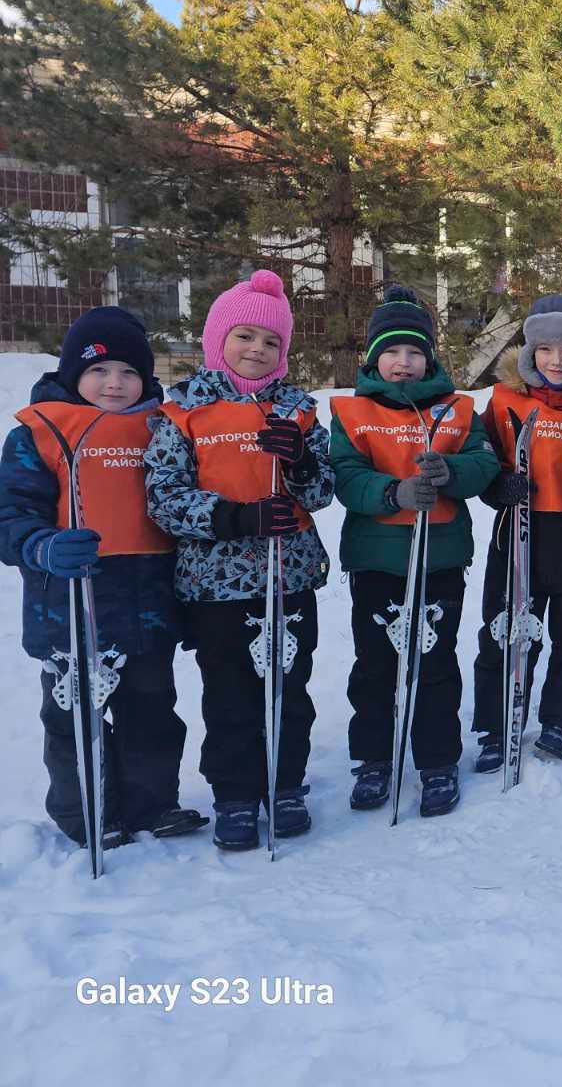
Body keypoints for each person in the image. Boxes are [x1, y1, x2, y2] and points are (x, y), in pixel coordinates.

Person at [0, 307, 206, 848]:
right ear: (73, 373)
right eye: (99, 370)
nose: (114, 383)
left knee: (152, 711)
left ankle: (152, 802)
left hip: (149, 600)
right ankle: (89, 809)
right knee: (74, 718)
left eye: (129, 373)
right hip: (69, 603)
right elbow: (11, 515)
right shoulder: (37, 433)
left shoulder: (164, 427)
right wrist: (42, 545)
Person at [144, 269, 334, 851]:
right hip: (216, 584)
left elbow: (324, 492)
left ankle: (286, 784)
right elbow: (162, 497)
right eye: (245, 336)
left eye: (272, 341)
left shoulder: (297, 409)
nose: (258, 349)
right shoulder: (183, 412)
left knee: (288, 687)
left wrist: (300, 463)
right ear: (217, 340)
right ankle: (234, 793)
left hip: (289, 574)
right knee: (228, 693)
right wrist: (234, 518)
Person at [329, 284, 499, 818]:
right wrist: (391, 492)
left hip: (439, 558)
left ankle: (437, 759)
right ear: (374, 358)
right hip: (378, 560)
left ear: (429, 358)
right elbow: (345, 473)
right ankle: (375, 758)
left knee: (435, 662)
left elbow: (483, 463)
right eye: (392, 352)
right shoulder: (353, 411)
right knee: (375, 664)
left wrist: (451, 474)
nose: (403, 362)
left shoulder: (457, 409)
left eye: (414, 352)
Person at [470, 296, 562, 767]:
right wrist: (496, 485)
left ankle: (561, 718)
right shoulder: (506, 399)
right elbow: (480, 458)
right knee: (506, 628)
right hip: (520, 530)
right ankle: (496, 719)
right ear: (529, 353)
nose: (557, 361)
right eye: (545, 350)